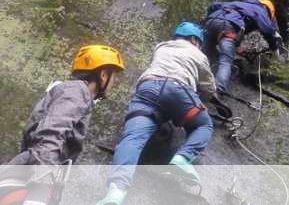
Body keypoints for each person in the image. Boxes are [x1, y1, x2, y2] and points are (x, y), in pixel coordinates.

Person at [96, 22, 215, 205]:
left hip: (147, 90)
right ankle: (182, 158)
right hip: (177, 89)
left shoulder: (161, 47)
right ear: (194, 40)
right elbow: (209, 88)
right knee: (203, 125)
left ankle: (115, 193)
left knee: (132, 138)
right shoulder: (198, 54)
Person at [5, 45, 124, 205]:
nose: (113, 83)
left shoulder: (73, 92)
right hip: (33, 183)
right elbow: (51, 133)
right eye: (114, 76)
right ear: (103, 75)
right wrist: (42, 183)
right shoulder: (76, 91)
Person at [203, 0, 280, 93]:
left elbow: (213, 5)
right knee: (226, 60)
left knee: (205, 54)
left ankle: (200, 83)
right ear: (267, 10)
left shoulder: (237, 4)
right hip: (227, 26)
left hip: (210, 21)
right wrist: (274, 48)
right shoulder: (260, 9)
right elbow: (267, 29)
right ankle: (218, 88)